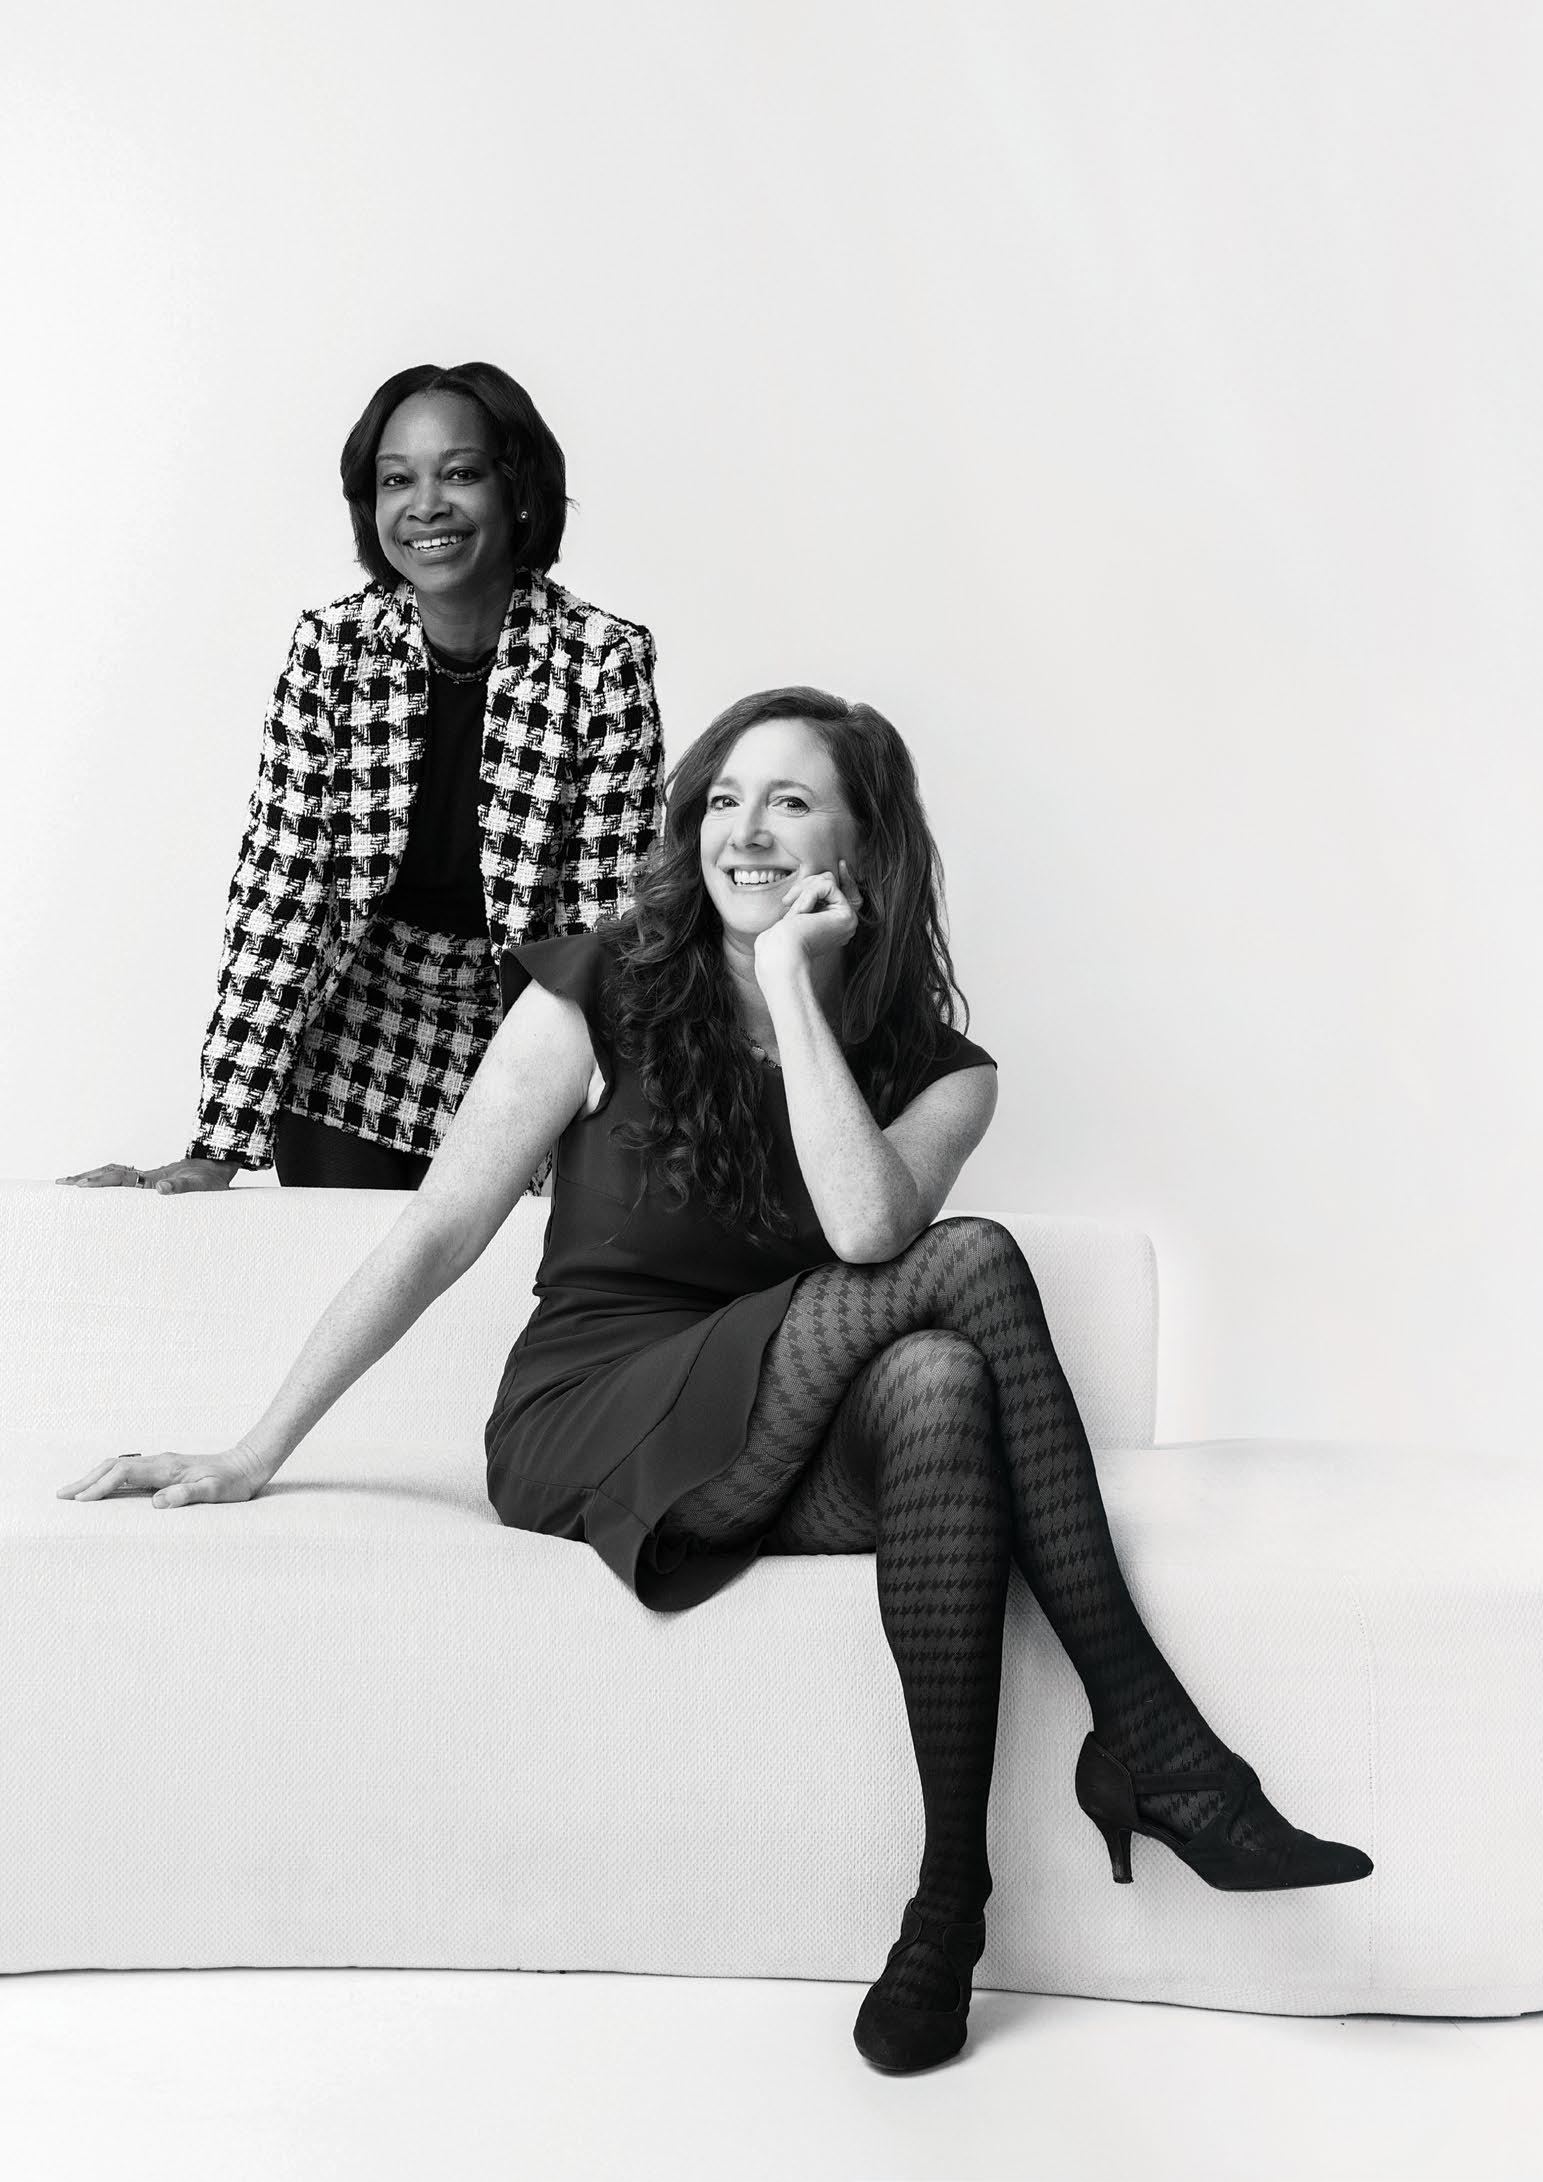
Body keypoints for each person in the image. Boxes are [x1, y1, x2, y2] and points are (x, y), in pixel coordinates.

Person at [59, 687, 1372, 2073]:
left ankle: (947, 1909)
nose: (743, 830)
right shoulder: (598, 992)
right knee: (971, 1261)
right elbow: (439, 1229)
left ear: (861, 846)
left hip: (771, 1441)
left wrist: (794, 990)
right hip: (596, 1413)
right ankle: (1155, 1743)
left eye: (789, 801)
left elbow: (862, 1222)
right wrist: (253, 1446)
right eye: (725, 799)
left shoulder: (942, 1075)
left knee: (938, 1382)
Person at [60, 360, 663, 1195]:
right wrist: (217, 1145)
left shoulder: (600, 662)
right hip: (352, 1036)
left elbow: (605, 920)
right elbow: (281, 897)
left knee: (507, 1279)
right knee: (340, 1264)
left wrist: (604, 1125)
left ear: (518, 490)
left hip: (522, 1034)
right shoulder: (331, 654)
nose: (426, 506)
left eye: (460, 473)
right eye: (396, 480)